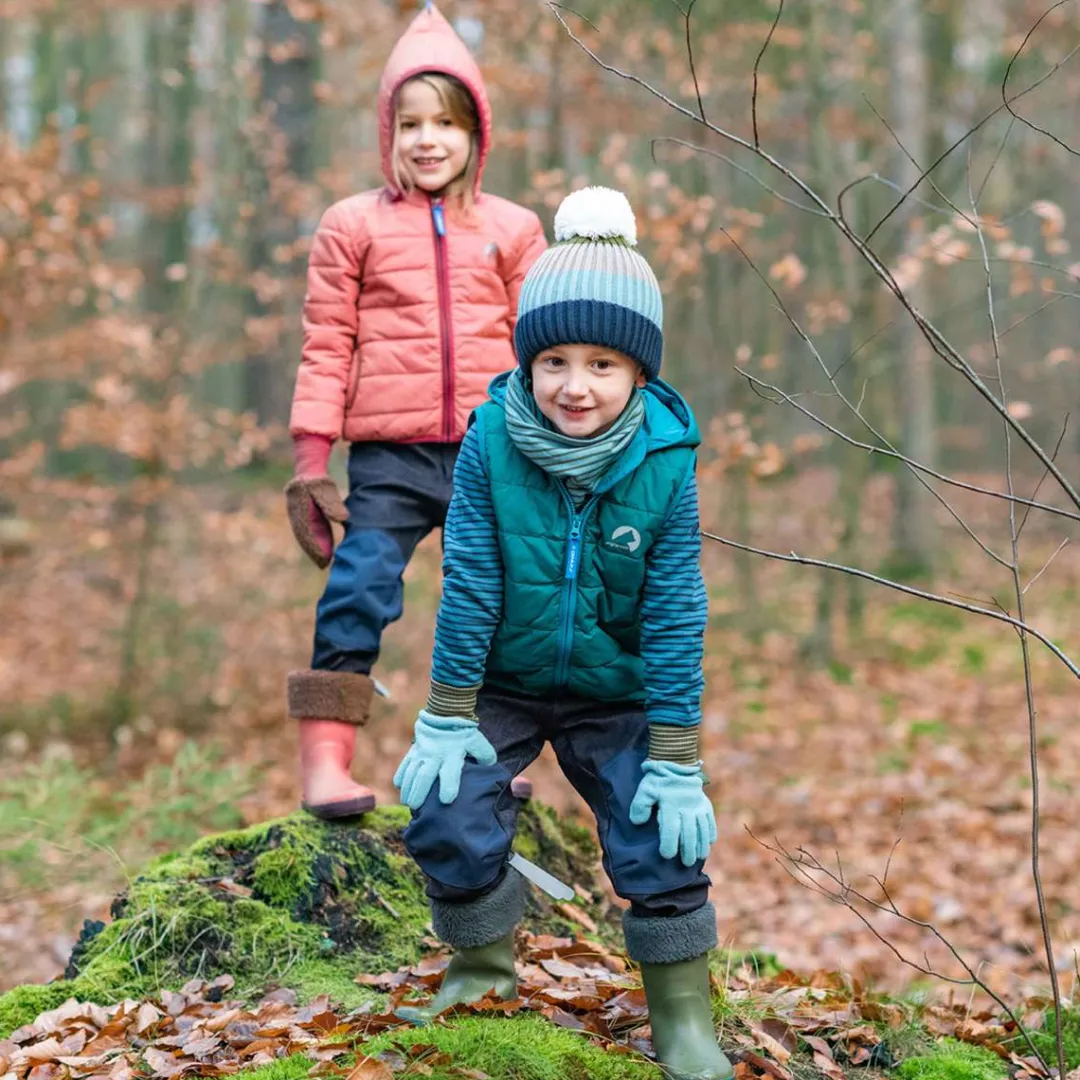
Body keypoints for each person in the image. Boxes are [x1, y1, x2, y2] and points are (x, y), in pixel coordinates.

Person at [392, 186, 733, 1080]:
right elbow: (469, 580)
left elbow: (674, 611)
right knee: (447, 805)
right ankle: (480, 964)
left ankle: (683, 1018)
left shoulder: (663, 463)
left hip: (612, 692)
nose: (574, 385)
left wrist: (676, 752)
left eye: (602, 364)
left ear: (640, 376)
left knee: (659, 833)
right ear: (528, 362)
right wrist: (447, 713)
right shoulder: (492, 445)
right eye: (554, 361)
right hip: (501, 680)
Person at [284, 2, 546, 819]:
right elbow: (327, 343)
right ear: (386, 134)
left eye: (446, 123)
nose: (427, 139)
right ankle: (327, 762)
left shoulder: (514, 229)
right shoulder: (351, 226)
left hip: (494, 452)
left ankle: (486, 759)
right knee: (358, 589)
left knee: (506, 604)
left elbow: (543, 349)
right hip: (390, 458)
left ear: (476, 134)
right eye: (410, 124)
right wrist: (310, 465)